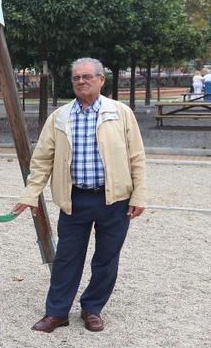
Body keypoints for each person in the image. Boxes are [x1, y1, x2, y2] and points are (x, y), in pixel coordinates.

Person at [13, 58, 147, 333]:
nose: (81, 81)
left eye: (87, 76)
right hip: (74, 200)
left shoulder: (120, 113)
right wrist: (30, 194)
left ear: (101, 80)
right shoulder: (59, 117)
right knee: (66, 257)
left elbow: (137, 158)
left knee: (106, 258)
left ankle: (92, 308)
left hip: (115, 200)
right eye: (76, 78)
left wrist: (139, 195)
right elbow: (41, 161)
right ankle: (57, 312)